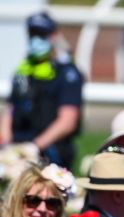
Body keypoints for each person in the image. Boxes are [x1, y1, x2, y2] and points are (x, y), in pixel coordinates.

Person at [0, 12, 83, 169]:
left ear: (53, 36)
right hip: (17, 149)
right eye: (33, 34)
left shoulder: (67, 73)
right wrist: (7, 146)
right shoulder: (23, 71)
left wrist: (34, 147)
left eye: (41, 34)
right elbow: (10, 108)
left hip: (50, 152)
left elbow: (67, 121)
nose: (36, 39)